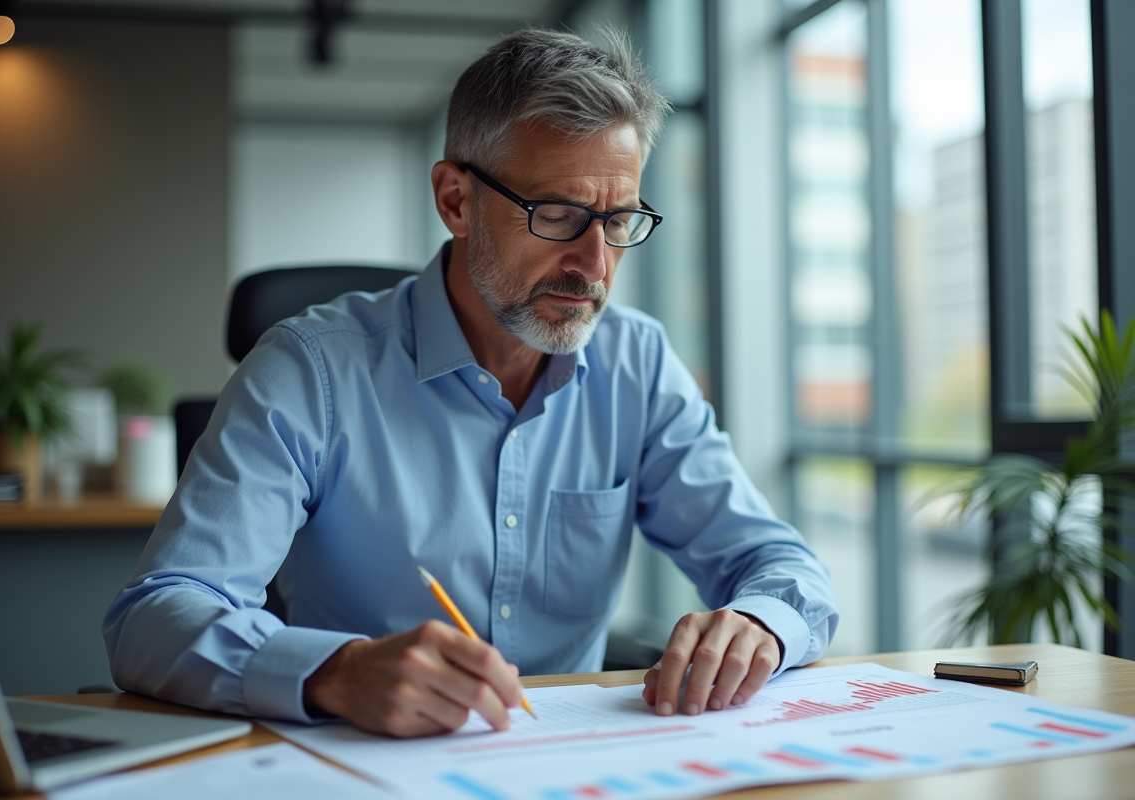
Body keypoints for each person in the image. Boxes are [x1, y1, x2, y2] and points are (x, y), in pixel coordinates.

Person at [104, 27, 838, 739]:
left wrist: (757, 625)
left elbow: (778, 565)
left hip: (572, 765)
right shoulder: (309, 369)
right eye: (558, 215)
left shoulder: (636, 363)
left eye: (618, 221)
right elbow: (155, 616)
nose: (595, 264)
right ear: (455, 200)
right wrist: (337, 672)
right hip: (365, 767)